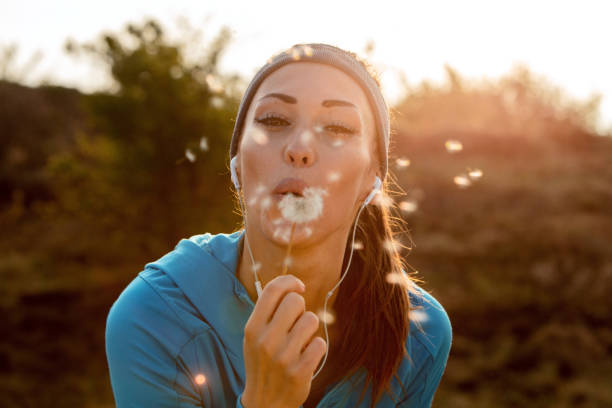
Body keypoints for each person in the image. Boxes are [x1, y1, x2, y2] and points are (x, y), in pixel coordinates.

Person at [105, 43, 452, 408]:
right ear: (237, 163)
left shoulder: (417, 335)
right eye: (273, 120)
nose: (300, 148)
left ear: (372, 179)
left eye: (337, 127)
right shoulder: (151, 318)